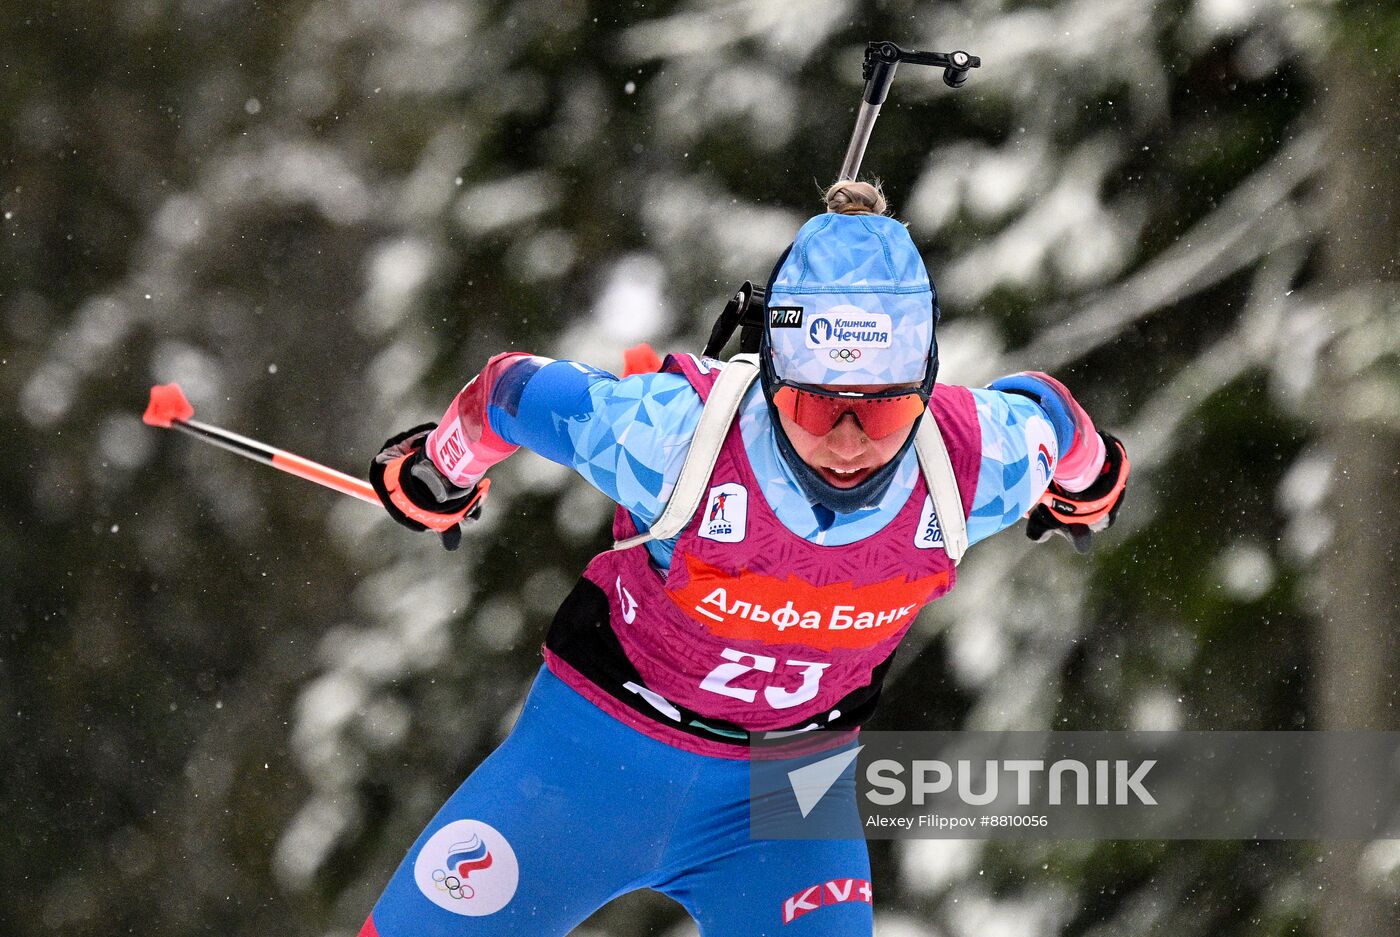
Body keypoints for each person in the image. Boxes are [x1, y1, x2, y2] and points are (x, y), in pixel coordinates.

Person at [361, 181, 1129, 936]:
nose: (850, 442)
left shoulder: (968, 462)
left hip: (788, 807)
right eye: (818, 403)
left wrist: (1091, 481)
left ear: (924, 387)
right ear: (770, 377)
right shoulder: (674, 437)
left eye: (885, 407)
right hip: (589, 768)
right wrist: (443, 466)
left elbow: (1050, 419)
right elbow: (512, 391)